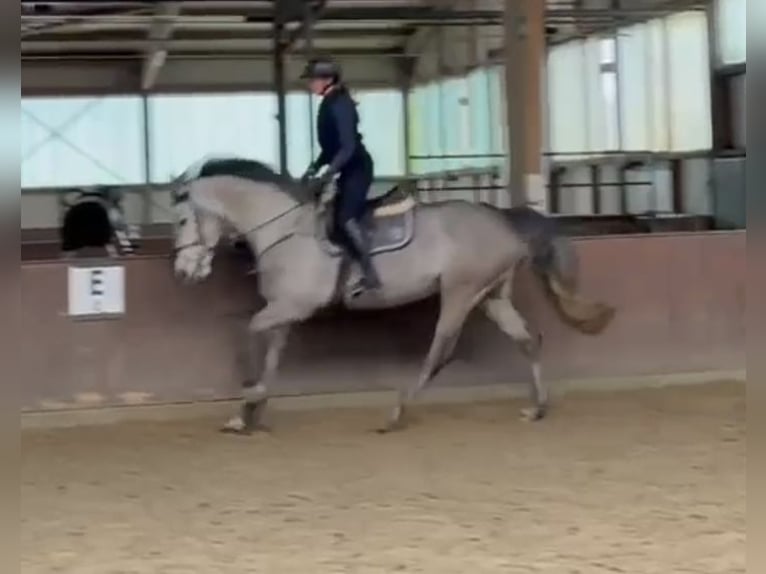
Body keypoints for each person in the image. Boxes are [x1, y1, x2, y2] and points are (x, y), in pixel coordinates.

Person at [300, 58, 382, 296]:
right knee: (331, 220)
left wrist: (328, 173)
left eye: (312, 80)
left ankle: (370, 274)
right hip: (344, 167)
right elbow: (330, 148)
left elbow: (347, 147)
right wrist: (314, 167)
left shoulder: (341, 104)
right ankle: (344, 269)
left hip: (357, 168)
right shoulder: (327, 103)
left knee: (346, 219)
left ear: (327, 80)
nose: (309, 84)